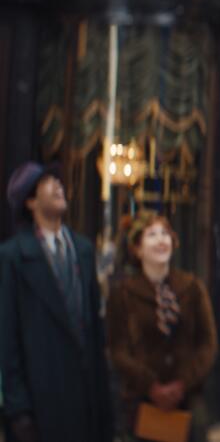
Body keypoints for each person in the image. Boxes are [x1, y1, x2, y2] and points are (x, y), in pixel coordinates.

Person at [0, 162, 113, 442]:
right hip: (41, 402)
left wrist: (105, 401)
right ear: (29, 201)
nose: (58, 186)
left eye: (59, 182)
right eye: (47, 183)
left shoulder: (84, 249)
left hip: (85, 399)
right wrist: (18, 410)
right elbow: (7, 339)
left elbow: (95, 332)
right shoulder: (12, 257)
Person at [107, 213, 217, 441]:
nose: (161, 240)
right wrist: (151, 386)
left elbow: (208, 343)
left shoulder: (192, 287)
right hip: (142, 402)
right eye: (152, 235)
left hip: (188, 400)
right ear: (137, 248)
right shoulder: (123, 293)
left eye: (165, 233)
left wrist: (182, 383)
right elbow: (117, 350)